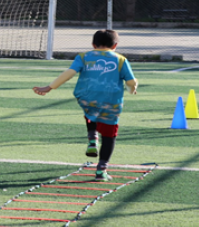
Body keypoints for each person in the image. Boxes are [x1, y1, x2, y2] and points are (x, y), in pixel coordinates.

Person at [32, 29, 138, 182]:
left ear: (93, 44)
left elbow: (69, 73)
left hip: (86, 97)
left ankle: (92, 139)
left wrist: (50, 87)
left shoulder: (83, 57)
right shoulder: (120, 59)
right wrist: (132, 89)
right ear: (115, 45)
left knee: (91, 112)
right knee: (109, 135)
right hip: (111, 101)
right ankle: (101, 170)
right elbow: (131, 81)